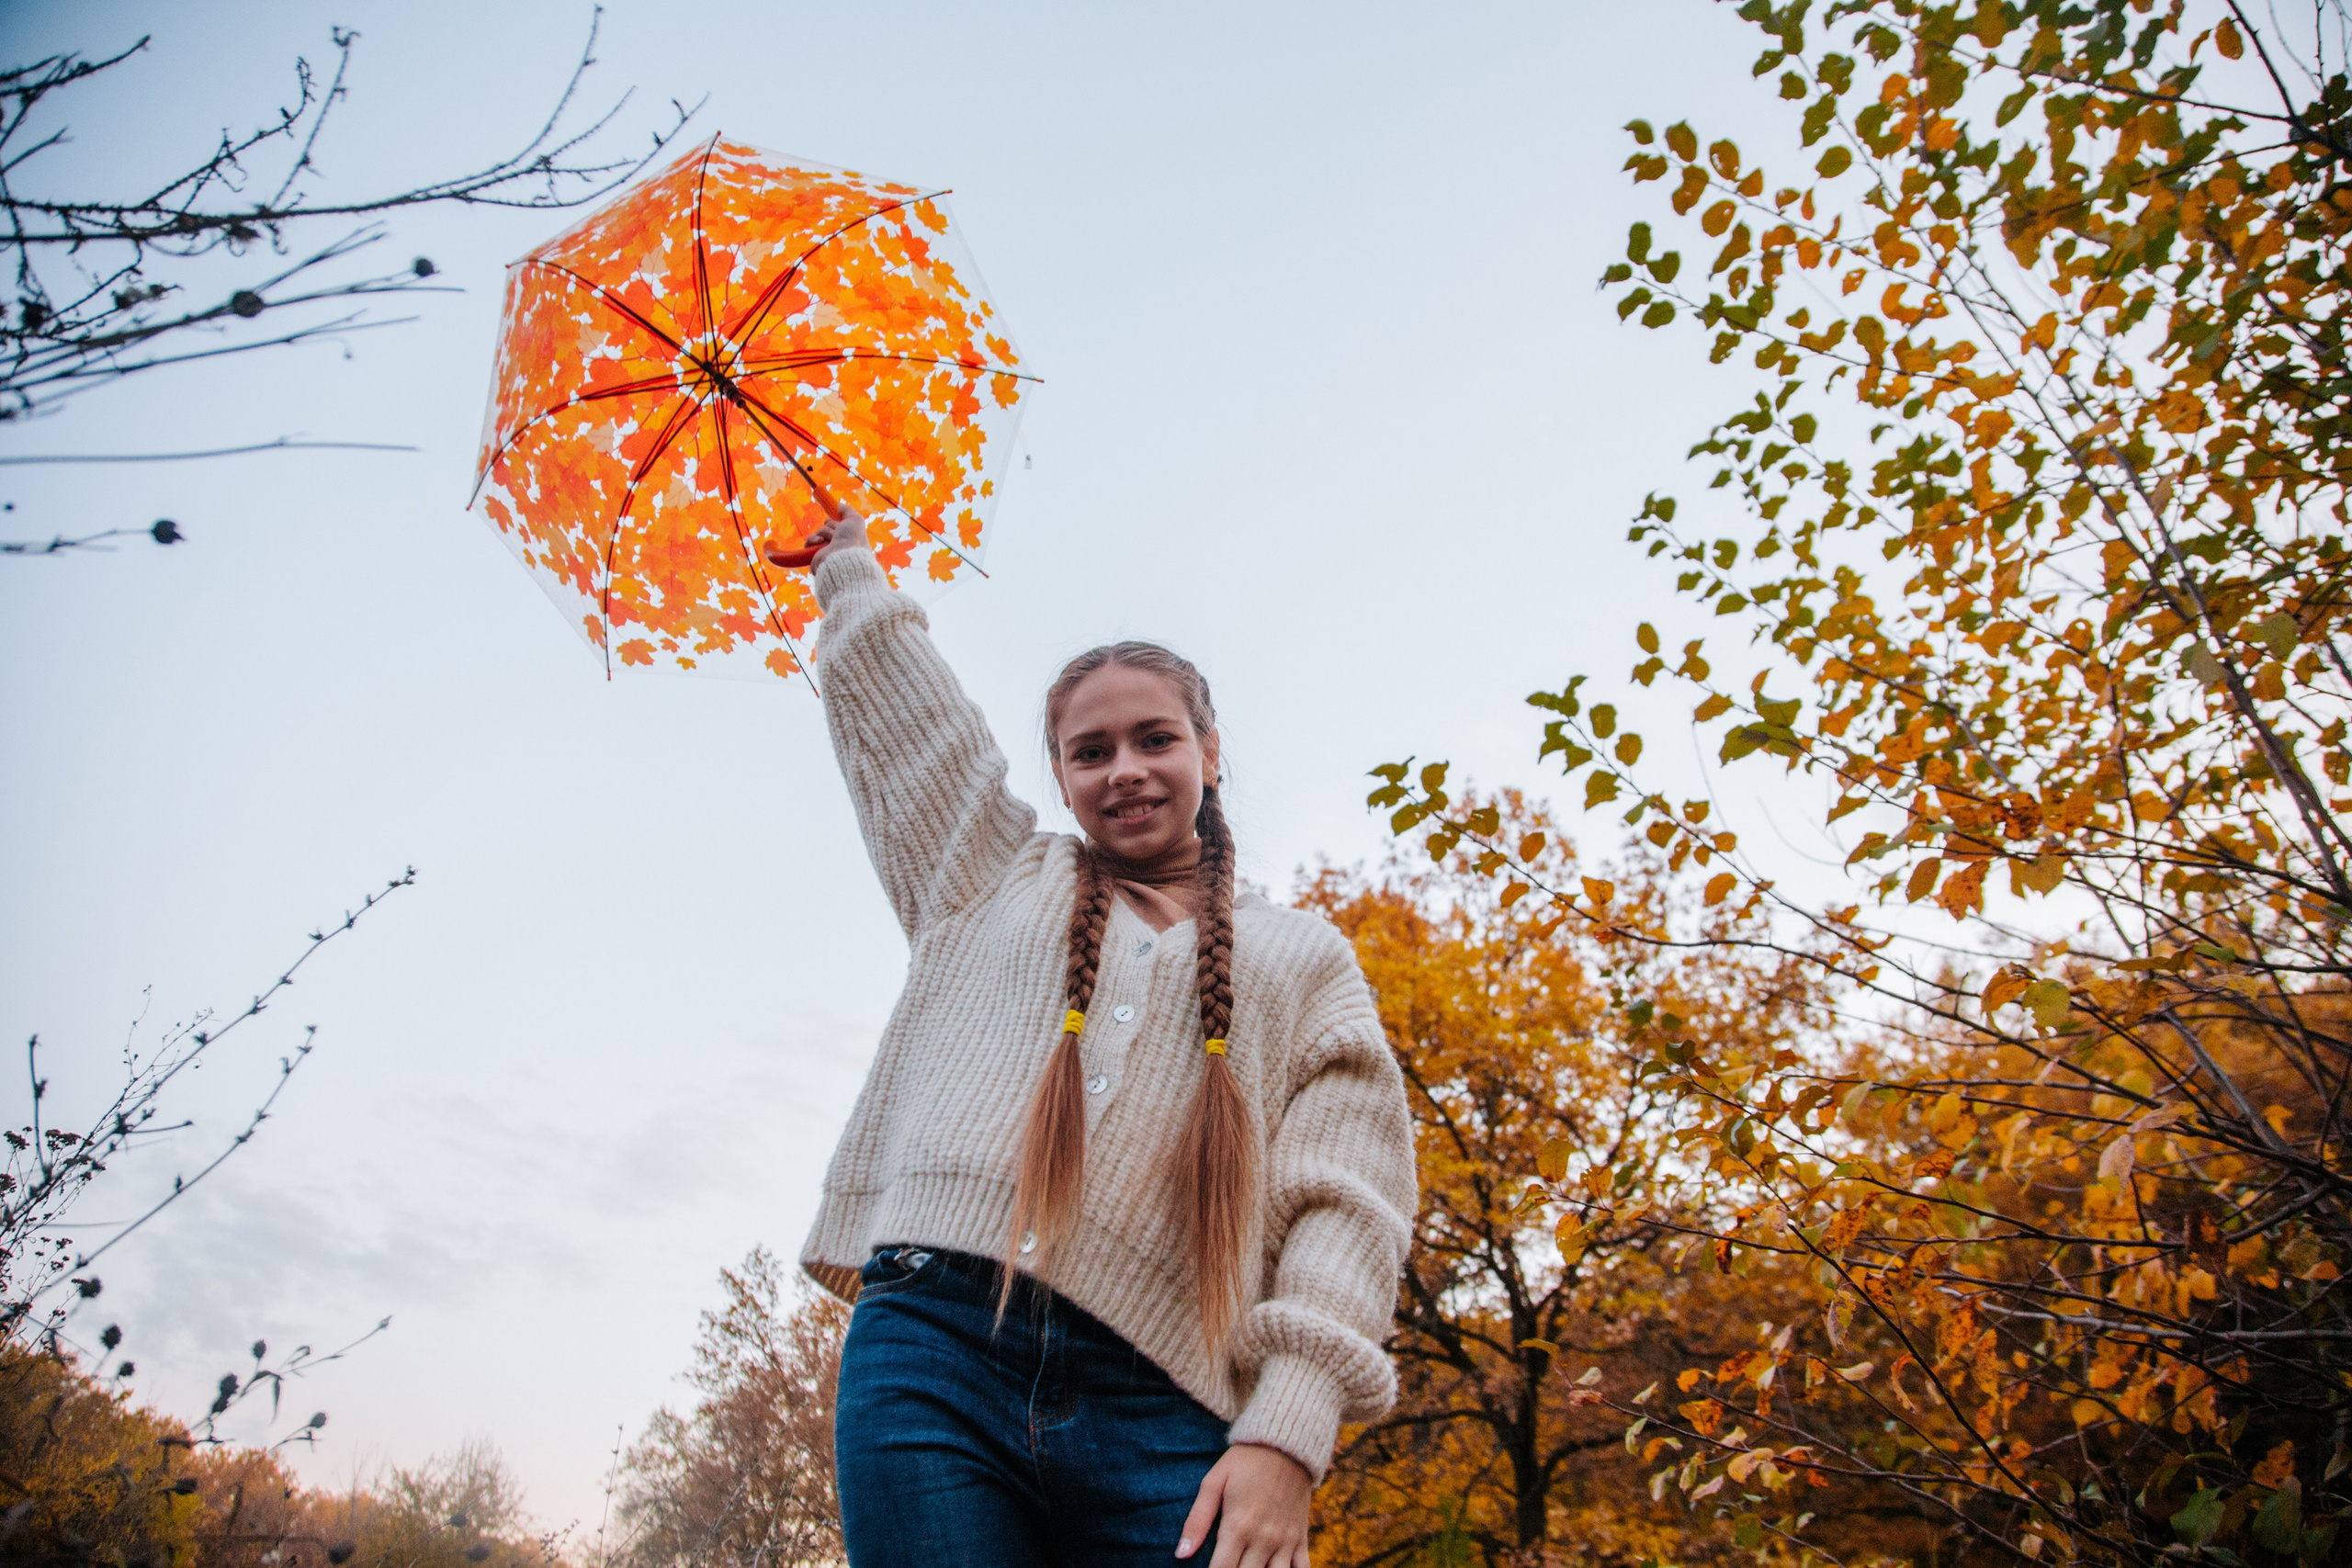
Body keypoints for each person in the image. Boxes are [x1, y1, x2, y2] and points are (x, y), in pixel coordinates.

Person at [794, 505, 1417, 1568]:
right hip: (933, 1351)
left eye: (1153, 739)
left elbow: (1348, 1206)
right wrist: (850, 571)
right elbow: (915, 734)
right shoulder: (988, 876)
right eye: (1090, 752)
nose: (1123, 767)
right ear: (1062, 776)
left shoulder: (1303, 960)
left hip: (1166, 1393)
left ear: (1209, 754)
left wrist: (1288, 1435)